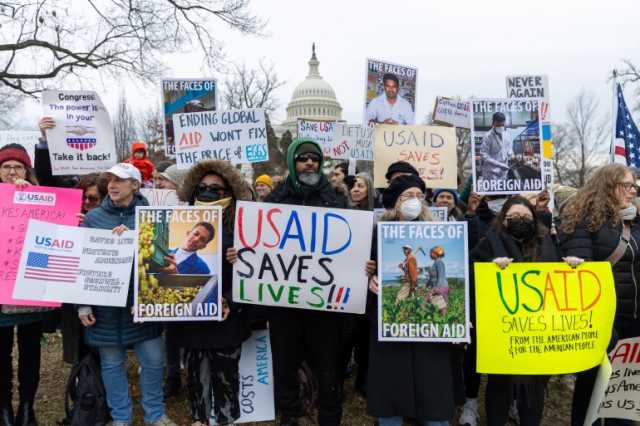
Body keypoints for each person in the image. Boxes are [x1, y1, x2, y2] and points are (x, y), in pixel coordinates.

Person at [259, 138, 349, 425]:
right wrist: (243, 255)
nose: (309, 163)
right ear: (292, 163)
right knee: (285, 362)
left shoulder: (335, 199)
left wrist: (364, 264)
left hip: (324, 303)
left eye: (314, 158)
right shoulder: (274, 200)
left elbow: (350, 244)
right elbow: (262, 244)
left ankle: (329, 415)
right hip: (284, 303)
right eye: (302, 158)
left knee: (328, 365)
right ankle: (290, 413)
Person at [79, 163, 176, 426]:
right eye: (109, 179)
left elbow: (162, 262)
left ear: (135, 185)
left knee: (154, 361)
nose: (112, 184)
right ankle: (121, 417)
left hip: (143, 306)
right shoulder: (94, 219)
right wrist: (83, 305)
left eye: (120, 180)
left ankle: (155, 414)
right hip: (106, 309)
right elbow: (82, 263)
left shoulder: (153, 216)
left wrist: (149, 298)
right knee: (111, 364)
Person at [367, 174, 458, 426]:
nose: (415, 201)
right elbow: (357, 273)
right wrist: (367, 279)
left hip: (429, 337)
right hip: (389, 334)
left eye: (419, 195)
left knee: (433, 388)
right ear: (394, 202)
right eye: (408, 196)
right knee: (392, 388)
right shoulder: (375, 234)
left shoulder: (440, 232)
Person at [471, 195, 567, 426]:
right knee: (500, 384)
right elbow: (472, 277)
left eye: (525, 216)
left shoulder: (547, 242)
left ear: (534, 219)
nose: (520, 220)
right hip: (503, 330)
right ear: (504, 219)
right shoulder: (489, 242)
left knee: (534, 388)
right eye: (514, 216)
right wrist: (489, 269)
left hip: (537, 330)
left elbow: (556, 277)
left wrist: (570, 268)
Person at [170, 160, 252, 426]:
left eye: (215, 187)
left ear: (228, 191)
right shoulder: (171, 233)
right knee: (196, 379)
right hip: (191, 323)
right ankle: (200, 419)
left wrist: (241, 263)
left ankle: (227, 420)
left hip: (226, 321)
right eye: (202, 186)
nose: (207, 191)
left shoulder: (244, 225)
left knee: (226, 380)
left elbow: (260, 274)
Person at [559, 164, 640, 426]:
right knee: (591, 400)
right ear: (608, 185)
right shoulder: (583, 221)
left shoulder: (632, 221)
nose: (633, 191)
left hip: (632, 327)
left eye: (635, 186)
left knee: (624, 404)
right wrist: (603, 327)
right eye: (628, 185)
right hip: (601, 327)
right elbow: (583, 282)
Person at [0, 144, 47, 426]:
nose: (12, 171)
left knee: (31, 352)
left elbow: (53, 232)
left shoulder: (42, 198)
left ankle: (27, 408)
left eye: (18, 166)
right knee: (1, 355)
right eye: (6, 167)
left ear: (27, 170)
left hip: (30, 287)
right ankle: (4, 408)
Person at [480, 112, 513, 183]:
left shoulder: (507, 134)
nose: (501, 127)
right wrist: (499, 165)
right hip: (491, 173)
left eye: (502, 125)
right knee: (492, 194)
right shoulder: (487, 136)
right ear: (493, 123)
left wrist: (511, 154)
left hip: (504, 172)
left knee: (503, 192)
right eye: (498, 125)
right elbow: (484, 155)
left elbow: (509, 147)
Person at [426, 246, 448, 316]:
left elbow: (441, 276)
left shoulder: (439, 262)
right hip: (437, 286)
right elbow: (433, 277)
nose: (430, 255)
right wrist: (427, 284)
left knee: (440, 306)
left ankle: (443, 320)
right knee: (439, 306)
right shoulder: (436, 262)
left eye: (431, 253)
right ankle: (441, 320)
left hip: (440, 286)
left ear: (436, 253)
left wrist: (436, 289)